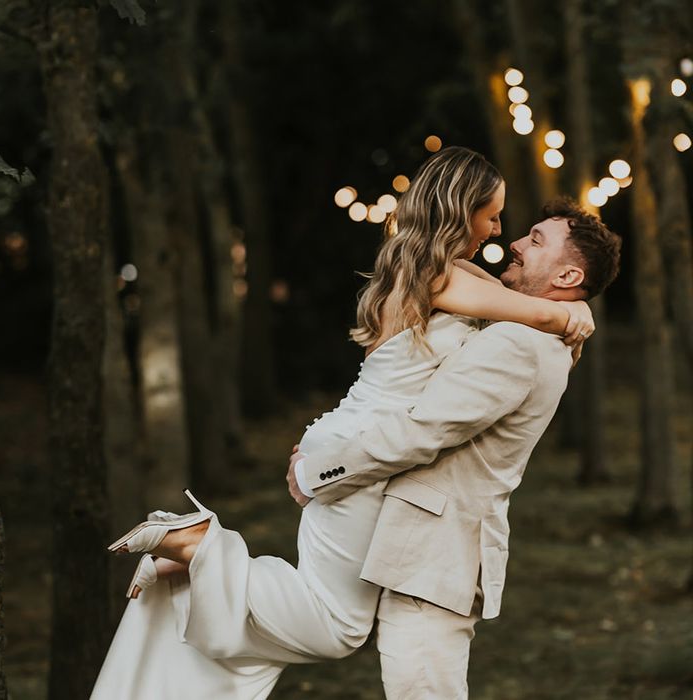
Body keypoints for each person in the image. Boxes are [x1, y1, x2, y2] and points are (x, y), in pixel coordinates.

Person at [90, 147, 604, 700]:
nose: (504, 231)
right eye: (494, 214)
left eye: (526, 232)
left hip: (350, 433)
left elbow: (508, 311)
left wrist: (574, 308)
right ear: (461, 209)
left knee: (331, 616)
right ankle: (201, 546)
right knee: (336, 626)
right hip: (363, 447)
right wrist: (570, 313)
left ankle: (199, 570)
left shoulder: (435, 268)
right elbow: (532, 314)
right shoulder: (443, 278)